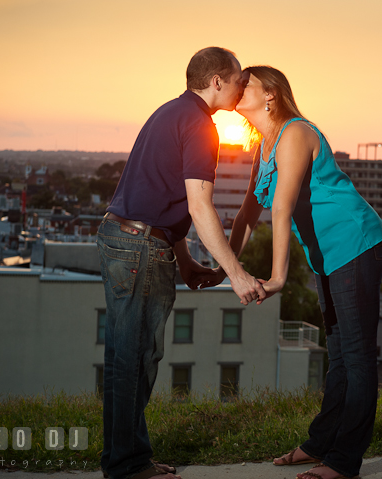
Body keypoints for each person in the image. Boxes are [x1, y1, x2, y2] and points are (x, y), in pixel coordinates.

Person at [96, 47, 266, 479]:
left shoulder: (168, 112)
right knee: (135, 358)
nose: (241, 85)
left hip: (125, 237)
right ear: (216, 82)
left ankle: (127, 458)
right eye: (237, 79)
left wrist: (185, 259)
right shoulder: (200, 125)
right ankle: (126, 464)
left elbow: (158, 196)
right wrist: (236, 272)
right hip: (138, 248)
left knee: (127, 356)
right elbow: (199, 205)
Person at [213, 66, 382, 479]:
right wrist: (226, 267)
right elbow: (247, 214)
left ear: (270, 94)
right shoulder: (266, 145)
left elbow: (282, 209)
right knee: (340, 353)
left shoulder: (295, 132)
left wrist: (277, 278)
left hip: (355, 243)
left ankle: (344, 461)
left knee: (358, 357)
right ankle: (320, 445)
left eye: (247, 82)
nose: (238, 87)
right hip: (327, 255)